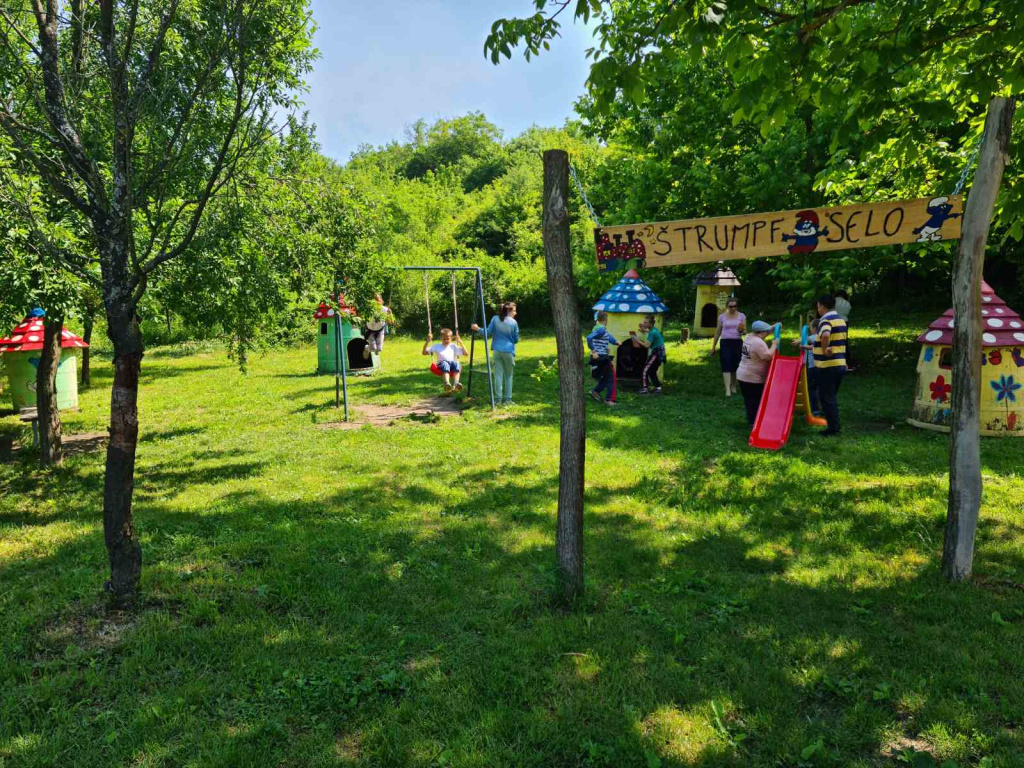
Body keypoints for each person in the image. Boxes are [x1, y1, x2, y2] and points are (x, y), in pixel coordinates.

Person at [471, 302, 520, 406]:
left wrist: (477, 329)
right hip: (508, 351)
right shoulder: (514, 323)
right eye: (514, 311)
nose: (515, 313)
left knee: (498, 376)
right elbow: (516, 340)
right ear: (509, 311)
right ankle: (508, 400)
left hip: (497, 351)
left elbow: (487, 332)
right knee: (508, 376)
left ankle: (498, 400)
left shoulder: (495, 319)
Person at [814, 294, 848, 435]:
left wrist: (824, 349)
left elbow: (826, 334)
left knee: (826, 398)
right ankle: (834, 426)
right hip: (840, 363)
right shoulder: (841, 320)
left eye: (818, 306)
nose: (818, 309)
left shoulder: (826, 319)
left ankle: (833, 429)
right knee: (831, 396)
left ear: (822, 306)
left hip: (828, 365)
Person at [736, 320, 779, 427]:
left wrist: (774, 326)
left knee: (749, 399)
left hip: (742, 374)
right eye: (767, 332)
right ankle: (755, 422)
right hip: (752, 377)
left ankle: (752, 420)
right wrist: (774, 345)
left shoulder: (749, 337)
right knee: (755, 400)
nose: (767, 334)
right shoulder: (758, 342)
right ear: (761, 332)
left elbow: (764, 329)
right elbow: (767, 356)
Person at [710, 297, 746, 397]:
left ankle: (734, 386)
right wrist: (713, 347)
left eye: (735, 306)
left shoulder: (741, 316)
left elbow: (744, 331)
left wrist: (741, 331)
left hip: (737, 342)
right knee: (726, 364)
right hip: (725, 342)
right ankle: (727, 389)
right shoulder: (722, 317)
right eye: (731, 306)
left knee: (736, 364)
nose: (733, 308)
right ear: (727, 306)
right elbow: (717, 332)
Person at [586, 311, 618, 406]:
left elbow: (607, 337)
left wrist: (615, 342)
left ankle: (595, 391)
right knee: (611, 377)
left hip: (601, 356)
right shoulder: (601, 329)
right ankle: (609, 400)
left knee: (606, 376)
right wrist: (594, 351)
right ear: (605, 319)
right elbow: (589, 338)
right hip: (601, 357)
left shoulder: (599, 328)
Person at [793, 318, 823, 416]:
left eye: (810, 327)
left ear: (815, 328)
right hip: (815, 366)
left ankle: (815, 409)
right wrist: (801, 344)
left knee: (811, 388)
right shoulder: (820, 337)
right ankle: (815, 408)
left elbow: (809, 339)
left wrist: (799, 340)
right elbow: (805, 345)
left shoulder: (816, 336)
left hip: (813, 367)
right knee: (813, 387)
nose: (810, 329)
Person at [422, 328, 467, 393]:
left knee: (457, 364)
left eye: (448, 339)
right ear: (441, 338)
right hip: (441, 364)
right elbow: (424, 352)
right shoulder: (437, 346)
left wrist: (460, 342)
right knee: (445, 364)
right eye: (444, 339)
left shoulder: (453, 346)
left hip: (452, 364)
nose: (446, 340)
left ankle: (456, 384)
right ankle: (447, 383)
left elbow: (466, 353)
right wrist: (427, 341)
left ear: (451, 338)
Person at [630, 315, 665, 394]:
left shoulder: (652, 333)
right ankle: (658, 388)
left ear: (651, 324)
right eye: (644, 322)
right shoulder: (654, 329)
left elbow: (647, 345)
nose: (643, 324)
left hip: (657, 353)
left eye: (646, 323)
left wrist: (637, 340)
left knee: (645, 370)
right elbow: (651, 331)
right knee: (652, 371)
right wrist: (645, 330)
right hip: (659, 352)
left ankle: (645, 388)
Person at [363, 293, 392, 360]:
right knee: (373, 348)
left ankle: (376, 349)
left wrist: (390, 314)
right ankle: (367, 348)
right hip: (370, 330)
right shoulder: (368, 309)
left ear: (380, 300)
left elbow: (391, 322)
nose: (376, 302)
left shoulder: (385, 309)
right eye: (374, 301)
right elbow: (362, 317)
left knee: (379, 349)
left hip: (380, 330)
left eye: (377, 300)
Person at [834, 289, 854, 371]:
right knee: (844, 340)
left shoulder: (833, 301)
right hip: (844, 322)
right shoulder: (847, 303)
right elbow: (847, 313)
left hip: (834, 321)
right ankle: (846, 360)